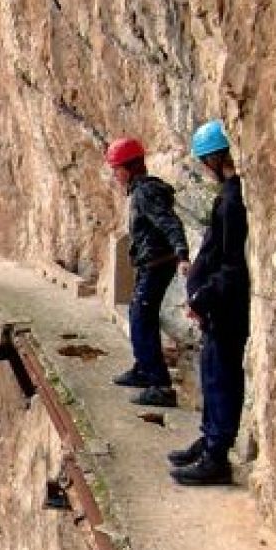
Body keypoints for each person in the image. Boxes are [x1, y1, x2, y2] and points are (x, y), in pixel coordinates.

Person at [169, 120, 251, 486]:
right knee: (212, 374)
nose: (203, 169)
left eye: (205, 161)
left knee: (221, 378)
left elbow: (231, 265)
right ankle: (209, 439)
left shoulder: (233, 201)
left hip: (224, 309)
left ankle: (216, 454)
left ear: (216, 158)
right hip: (218, 308)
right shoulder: (229, 197)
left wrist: (202, 298)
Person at [106, 137, 190, 408]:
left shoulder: (145, 193)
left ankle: (160, 385)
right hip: (151, 264)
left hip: (156, 265)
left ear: (127, 169)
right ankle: (144, 368)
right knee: (140, 315)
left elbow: (169, 222)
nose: (115, 175)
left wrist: (181, 252)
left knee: (141, 319)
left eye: (116, 169)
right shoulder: (143, 190)